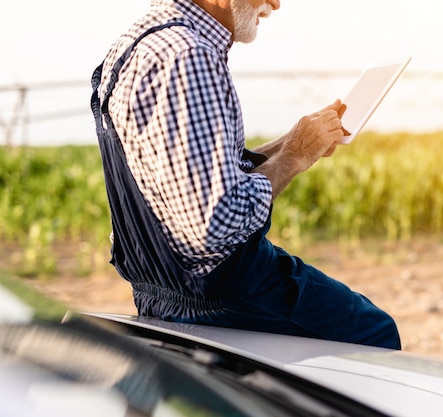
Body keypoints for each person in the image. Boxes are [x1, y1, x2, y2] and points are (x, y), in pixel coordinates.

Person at [90, 0, 401, 350]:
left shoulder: (140, 43)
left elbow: (196, 176)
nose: (275, 4)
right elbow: (216, 223)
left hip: (159, 288)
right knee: (374, 334)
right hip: (218, 295)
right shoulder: (190, 56)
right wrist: (295, 156)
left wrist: (293, 141)